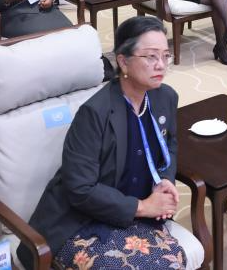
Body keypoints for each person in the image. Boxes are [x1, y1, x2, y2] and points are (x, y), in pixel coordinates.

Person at [24, 16, 187, 270]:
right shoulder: (94, 113)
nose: (161, 65)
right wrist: (141, 207)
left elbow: (170, 145)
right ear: (123, 61)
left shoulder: (165, 97)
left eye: (165, 55)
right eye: (151, 56)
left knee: (172, 260)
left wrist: (164, 180)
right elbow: (80, 188)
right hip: (81, 222)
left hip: (136, 214)